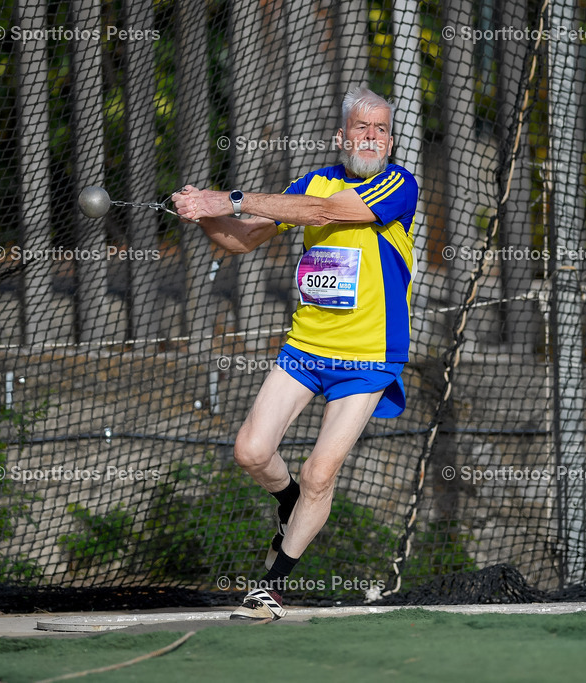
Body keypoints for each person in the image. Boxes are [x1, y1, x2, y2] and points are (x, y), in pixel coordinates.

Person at [172, 85, 419, 621]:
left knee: (320, 472)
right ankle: (288, 506)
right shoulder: (313, 179)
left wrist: (230, 198)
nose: (371, 137)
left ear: (391, 140)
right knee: (251, 452)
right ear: (341, 135)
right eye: (362, 127)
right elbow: (240, 240)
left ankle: (272, 585)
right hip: (306, 347)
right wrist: (204, 212)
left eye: (381, 129)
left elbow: (326, 211)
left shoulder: (399, 184)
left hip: (370, 354)